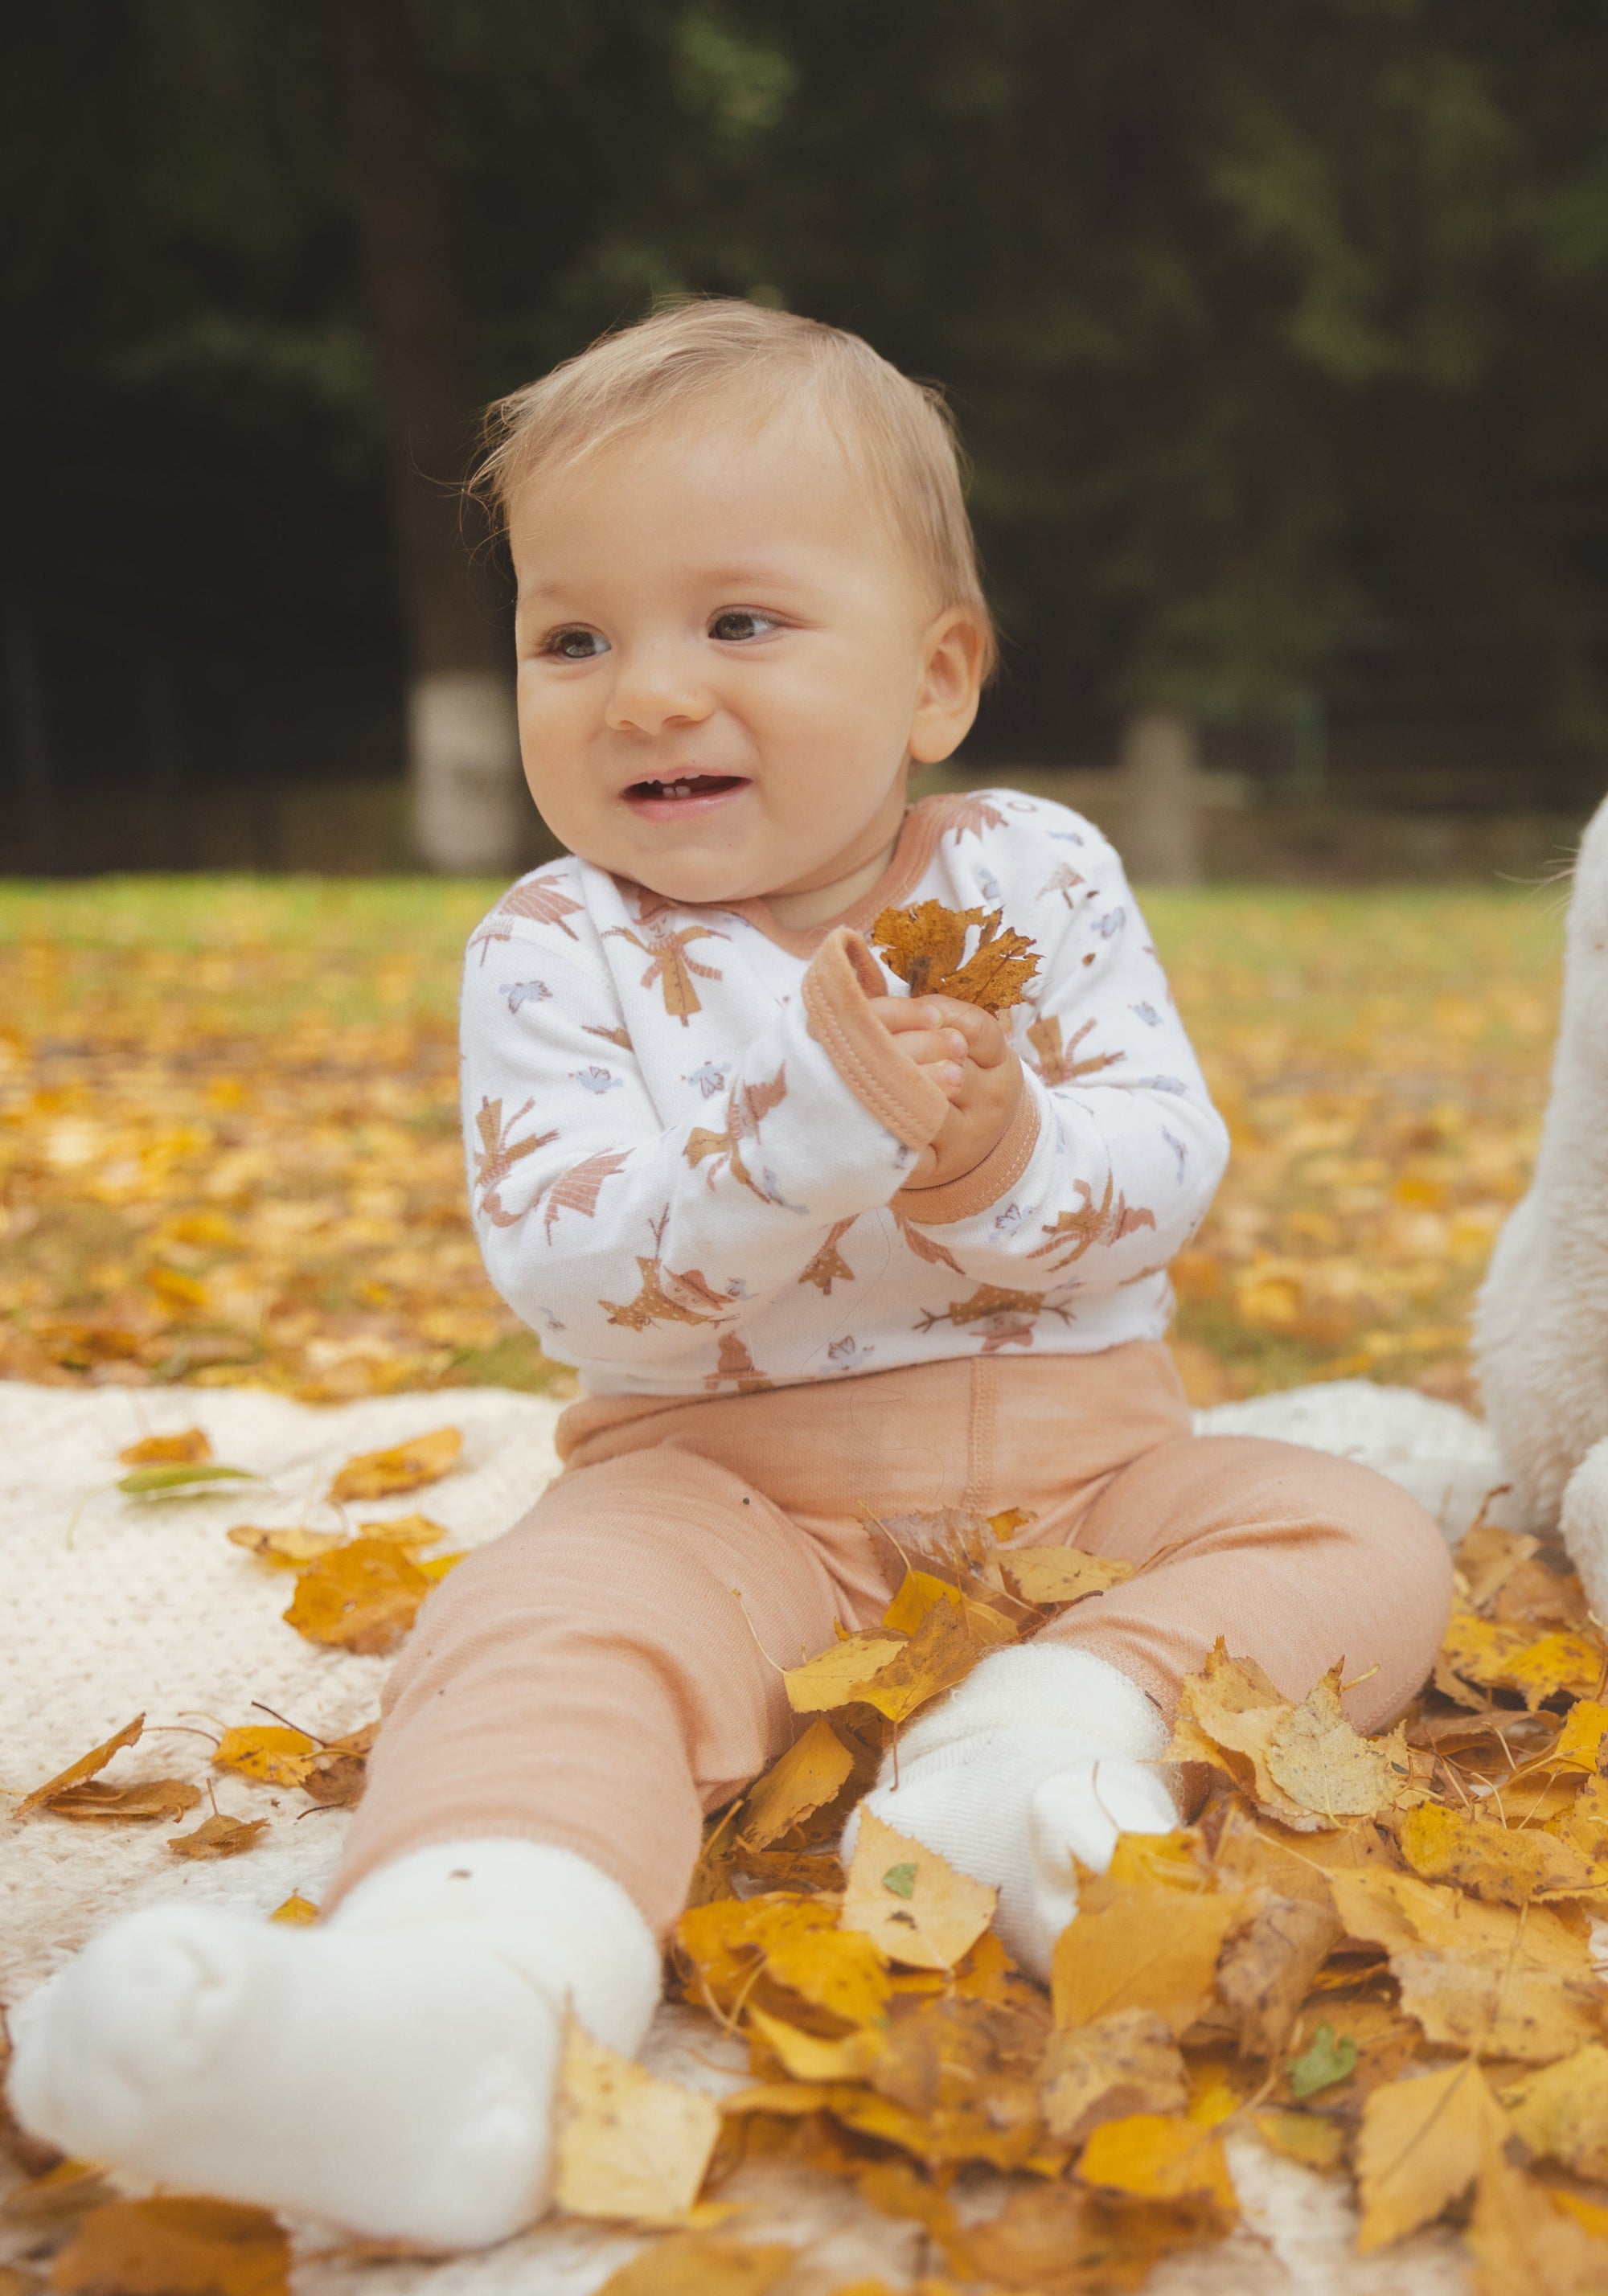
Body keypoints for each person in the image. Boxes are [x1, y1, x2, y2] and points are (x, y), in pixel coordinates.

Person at [10, 301, 1452, 2249]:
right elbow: (579, 1280)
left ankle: (1045, 1737)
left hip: (1093, 1484)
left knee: (1356, 1532)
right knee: (540, 1628)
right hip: (730, 1492)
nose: (647, 696)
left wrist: (998, 1151)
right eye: (572, 638)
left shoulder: (1030, 871)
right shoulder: (554, 948)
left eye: (740, 626)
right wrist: (807, 1145)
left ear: (934, 675)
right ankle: (470, 1999)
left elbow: (1165, 1170)